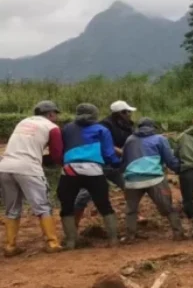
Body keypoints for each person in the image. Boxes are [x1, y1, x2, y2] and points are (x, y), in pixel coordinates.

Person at [0, 101, 63, 256]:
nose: (56, 117)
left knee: (12, 208)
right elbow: (56, 154)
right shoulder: (52, 128)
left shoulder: (23, 122)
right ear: (50, 114)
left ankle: (10, 246)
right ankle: (52, 243)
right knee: (42, 206)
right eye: (55, 114)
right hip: (29, 169)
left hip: (5, 166)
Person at [58, 103, 121, 249]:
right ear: (95, 114)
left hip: (70, 170)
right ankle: (113, 240)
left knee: (66, 206)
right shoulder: (101, 129)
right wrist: (117, 163)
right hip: (93, 170)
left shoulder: (67, 128)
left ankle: (71, 242)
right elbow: (108, 153)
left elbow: (61, 148)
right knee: (104, 205)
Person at [73, 100, 136, 229]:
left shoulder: (128, 126)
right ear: (120, 113)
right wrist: (121, 151)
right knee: (84, 196)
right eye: (128, 112)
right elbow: (104, 144)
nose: (130, 114)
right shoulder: (105, 125)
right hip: (99, 164)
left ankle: (134, 215)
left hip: (116, 164)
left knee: (129, 188)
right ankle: (73, 226)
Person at [121, 118, 184, 242]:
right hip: (154, 178)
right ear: (153, 127)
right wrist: (179, 168)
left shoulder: (130, 140)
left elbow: (124, 161)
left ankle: (130, 236)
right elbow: (169, 159)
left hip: (133, 180)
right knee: (167, 207)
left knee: (131, 209)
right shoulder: (160, 139)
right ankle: (178, 233)